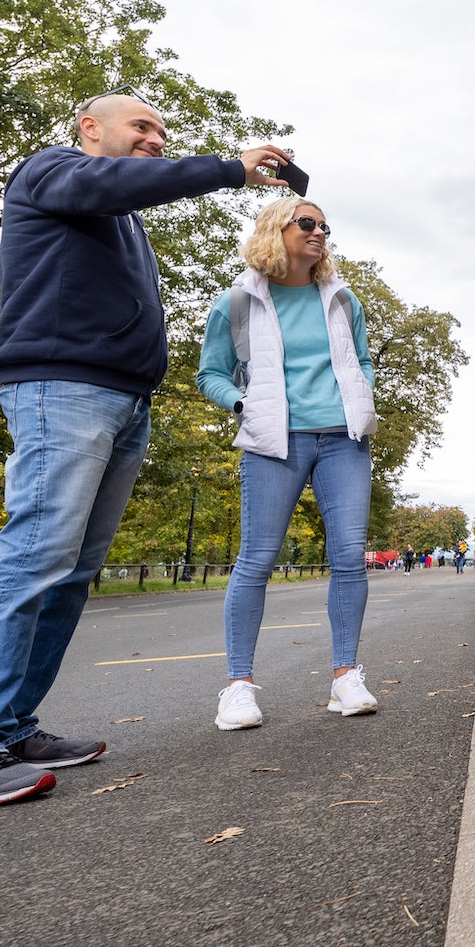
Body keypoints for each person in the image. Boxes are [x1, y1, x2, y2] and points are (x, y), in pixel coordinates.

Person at [0, 91, 290, 809]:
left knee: (72, 570)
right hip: (62, 387)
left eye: (161, 131)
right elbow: (112, 182)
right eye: (141, 126)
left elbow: (122, 199)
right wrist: (229, 169)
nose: (155, 138)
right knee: (35, 555)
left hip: (119, 398)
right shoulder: (52, 171)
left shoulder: (115, 213)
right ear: (90, 130)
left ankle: (10, 728)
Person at [199, 198, 380, 732]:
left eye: (325, 225)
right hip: (273, 441)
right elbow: (211, 373)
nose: (319, 231)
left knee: (349, 555)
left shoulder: (344, 299)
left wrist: (364, 398)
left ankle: (346, 676)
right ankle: (237, 687)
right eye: (308, 223)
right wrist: (242, 405)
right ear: (275, 229)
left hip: (343, 440)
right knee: (257, 558)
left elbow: (361, 360)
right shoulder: (238, 301)